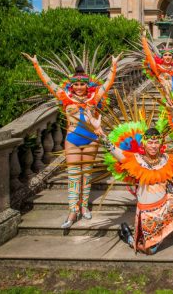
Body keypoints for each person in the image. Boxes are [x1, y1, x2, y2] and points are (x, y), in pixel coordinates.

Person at [23, 52, 119, 229]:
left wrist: (113, 66)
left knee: (86, 174)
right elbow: (49, 83)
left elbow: (108, 84)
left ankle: (83, 206)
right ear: (72, 86)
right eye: (77, 84)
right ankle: (72, 210)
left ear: (87, 85)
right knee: (74, 176)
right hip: (72, 140)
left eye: (83, 84)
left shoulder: (94, 98)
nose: (80, 87)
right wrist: (37, 65)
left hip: (91, 140)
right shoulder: (65, 98)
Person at [95, 124, 173, 254]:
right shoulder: (135, 160)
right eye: (150, 142)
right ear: (144, 144)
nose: (153, 146)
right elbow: (113, 150)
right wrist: (101, 134)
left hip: (166, 204)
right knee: (150, 250)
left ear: (161, 143)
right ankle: (128, 236)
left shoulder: (167, 160)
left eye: (156, 142)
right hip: (148, 212)